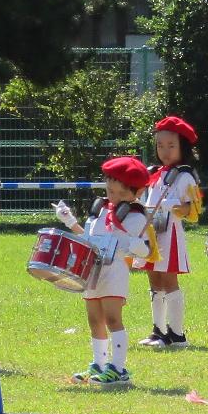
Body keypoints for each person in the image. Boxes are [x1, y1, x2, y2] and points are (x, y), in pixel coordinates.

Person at [56, 157, 152, 385]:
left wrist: (139, 248)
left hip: (114, 270)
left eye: (120, 194)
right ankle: (98, 364)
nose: (113, 198)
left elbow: (143, 250)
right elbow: (89, 240)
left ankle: (118, 369)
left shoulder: (136, 215)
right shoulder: (100, 210)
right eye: (110, 191)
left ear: (136, 192)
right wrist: (69, 221)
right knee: (94, 319)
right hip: (93, 271)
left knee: (112, 318)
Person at [141, 115, 203, 348]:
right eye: (160, 146)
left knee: (169, 279)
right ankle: (158, 330)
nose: (164, 151)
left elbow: (194, 209)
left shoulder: (184, 175)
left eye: (171, 146)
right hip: (152, 233)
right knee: (153, 278)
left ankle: (177, 334)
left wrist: (174, 205)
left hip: (170, 233)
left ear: (183, 147)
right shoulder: (156, 173)